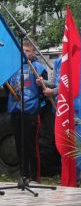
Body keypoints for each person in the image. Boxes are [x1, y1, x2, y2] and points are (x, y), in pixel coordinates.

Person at [7, 40, 47, 182]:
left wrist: (42, 84)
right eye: (22, 50)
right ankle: (23, 175)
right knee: (19, 145)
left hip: (30, 112)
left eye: (28, 51)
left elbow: (45, 92)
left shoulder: (39, 68)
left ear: (33, 52)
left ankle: (34, 176)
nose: (25, 53)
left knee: (30, 145)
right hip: (15, 110)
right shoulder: (12, 67)